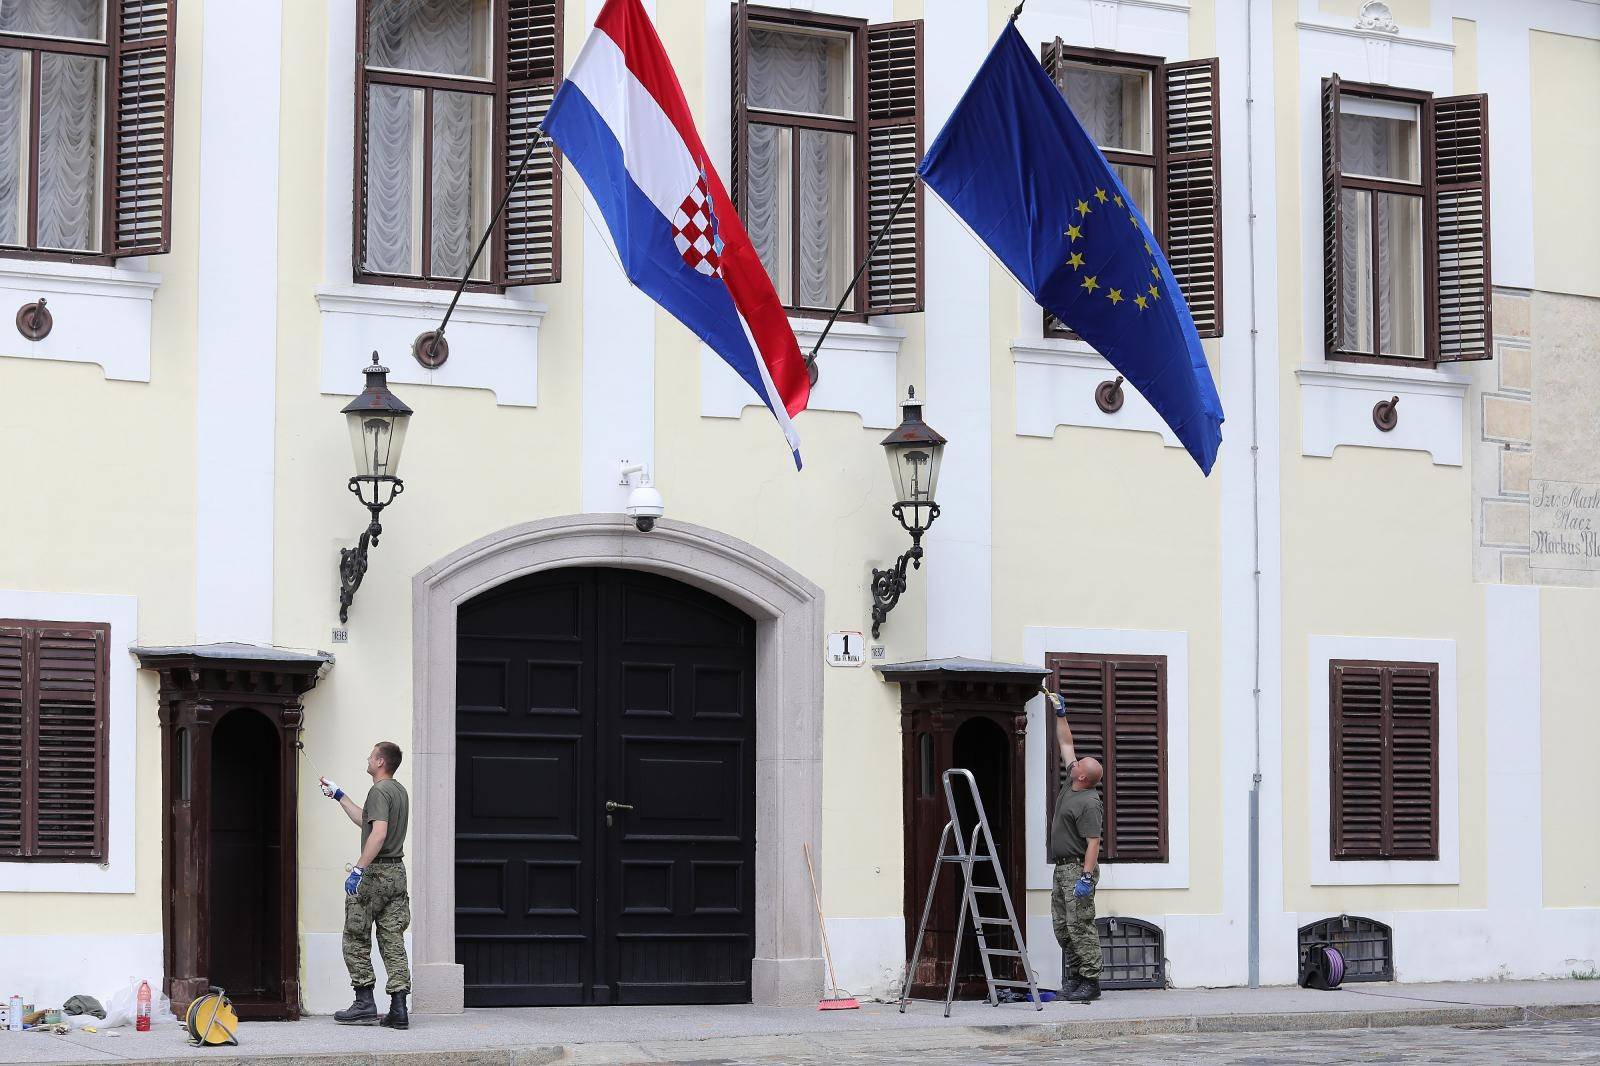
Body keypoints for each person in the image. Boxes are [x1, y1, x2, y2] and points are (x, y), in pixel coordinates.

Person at [319, 741, 411, 1029]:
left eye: (371, 756)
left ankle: (364, 1003)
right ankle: (399, 1009)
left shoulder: (379, 790)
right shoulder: (398, 791)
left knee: (356, 937)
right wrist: (339, 795)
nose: (368, 759)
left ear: (381, 761)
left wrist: (359, 869)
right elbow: (367, 821)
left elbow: (378, 834)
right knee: (392, 939)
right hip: (397, 872)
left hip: (376, 874)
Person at [1045, 690, 1105, 1003]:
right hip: (1061, 867)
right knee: (1062, 926)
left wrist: (1085, 877)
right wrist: (1060, 714)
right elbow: (1066, 743)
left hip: (1076, 868)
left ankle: (1090, 982)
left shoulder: (1089, 802)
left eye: (1079, 763)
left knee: (1080, 924)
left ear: (1083, 776)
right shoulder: (1073, 781)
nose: (1075, 761)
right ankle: (1074, 977)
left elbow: (1093, 842)